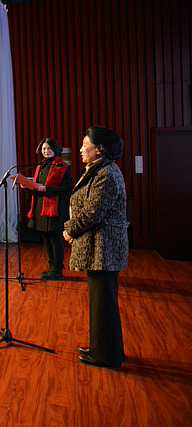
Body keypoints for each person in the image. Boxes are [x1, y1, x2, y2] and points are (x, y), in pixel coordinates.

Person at [63, 126, 129, 368]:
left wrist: (70, 230)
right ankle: (102, 347)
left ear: (99, 149)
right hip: (100, 246)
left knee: (104, 302)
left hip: (105, 247)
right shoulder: (99, 169)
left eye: (85, 144)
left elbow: (94, 212)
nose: (81, 149)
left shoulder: (107, 173)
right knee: (101, 302)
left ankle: (106, 355)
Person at [26, 137, 72, 280]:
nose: (46, 151)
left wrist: (46, 189)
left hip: (55, 207)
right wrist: (27, 186)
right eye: (44, 148)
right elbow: (37, 187)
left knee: (55, 238)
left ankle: (58, 270)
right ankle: (51, 267)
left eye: (49, 148)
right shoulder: (41, 166)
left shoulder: (63, 166)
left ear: (55, 149)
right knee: (46, 237)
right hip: (41, 206)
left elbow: (66, 189)